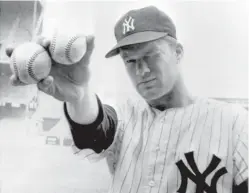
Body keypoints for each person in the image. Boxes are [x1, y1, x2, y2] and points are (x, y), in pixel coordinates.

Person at [6, 5, 248, 193]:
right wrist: (79, 96)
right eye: (130, 60)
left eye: (151, 55)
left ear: (177, 53)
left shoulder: (234, 123)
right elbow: (96, 132)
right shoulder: (126, 115)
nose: (141, 70)